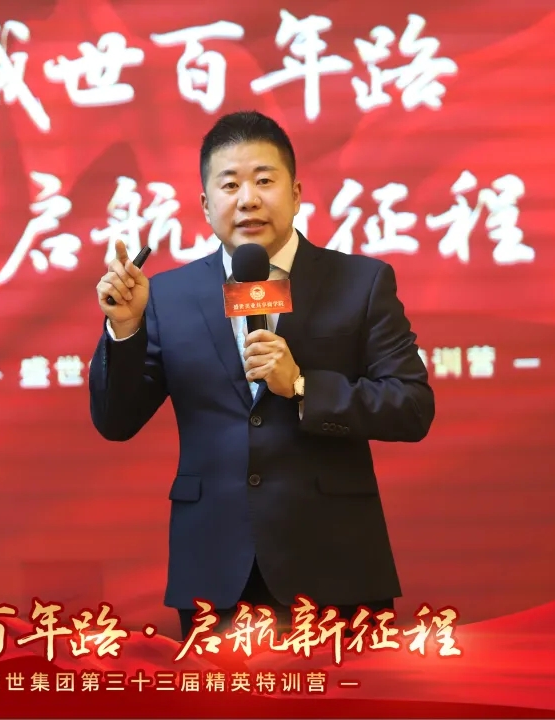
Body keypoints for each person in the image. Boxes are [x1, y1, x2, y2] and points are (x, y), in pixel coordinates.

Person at [88, 110, 434, 637]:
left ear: (295, 194)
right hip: (215, 572)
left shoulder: (360, 282)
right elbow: (116, 421)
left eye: (264, 181)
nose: (247, 199)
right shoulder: (167, 296)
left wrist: (302, 386)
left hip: (336, 568)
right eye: (229, 185)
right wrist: (126, 329)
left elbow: (411, 406)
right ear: (206, 205)